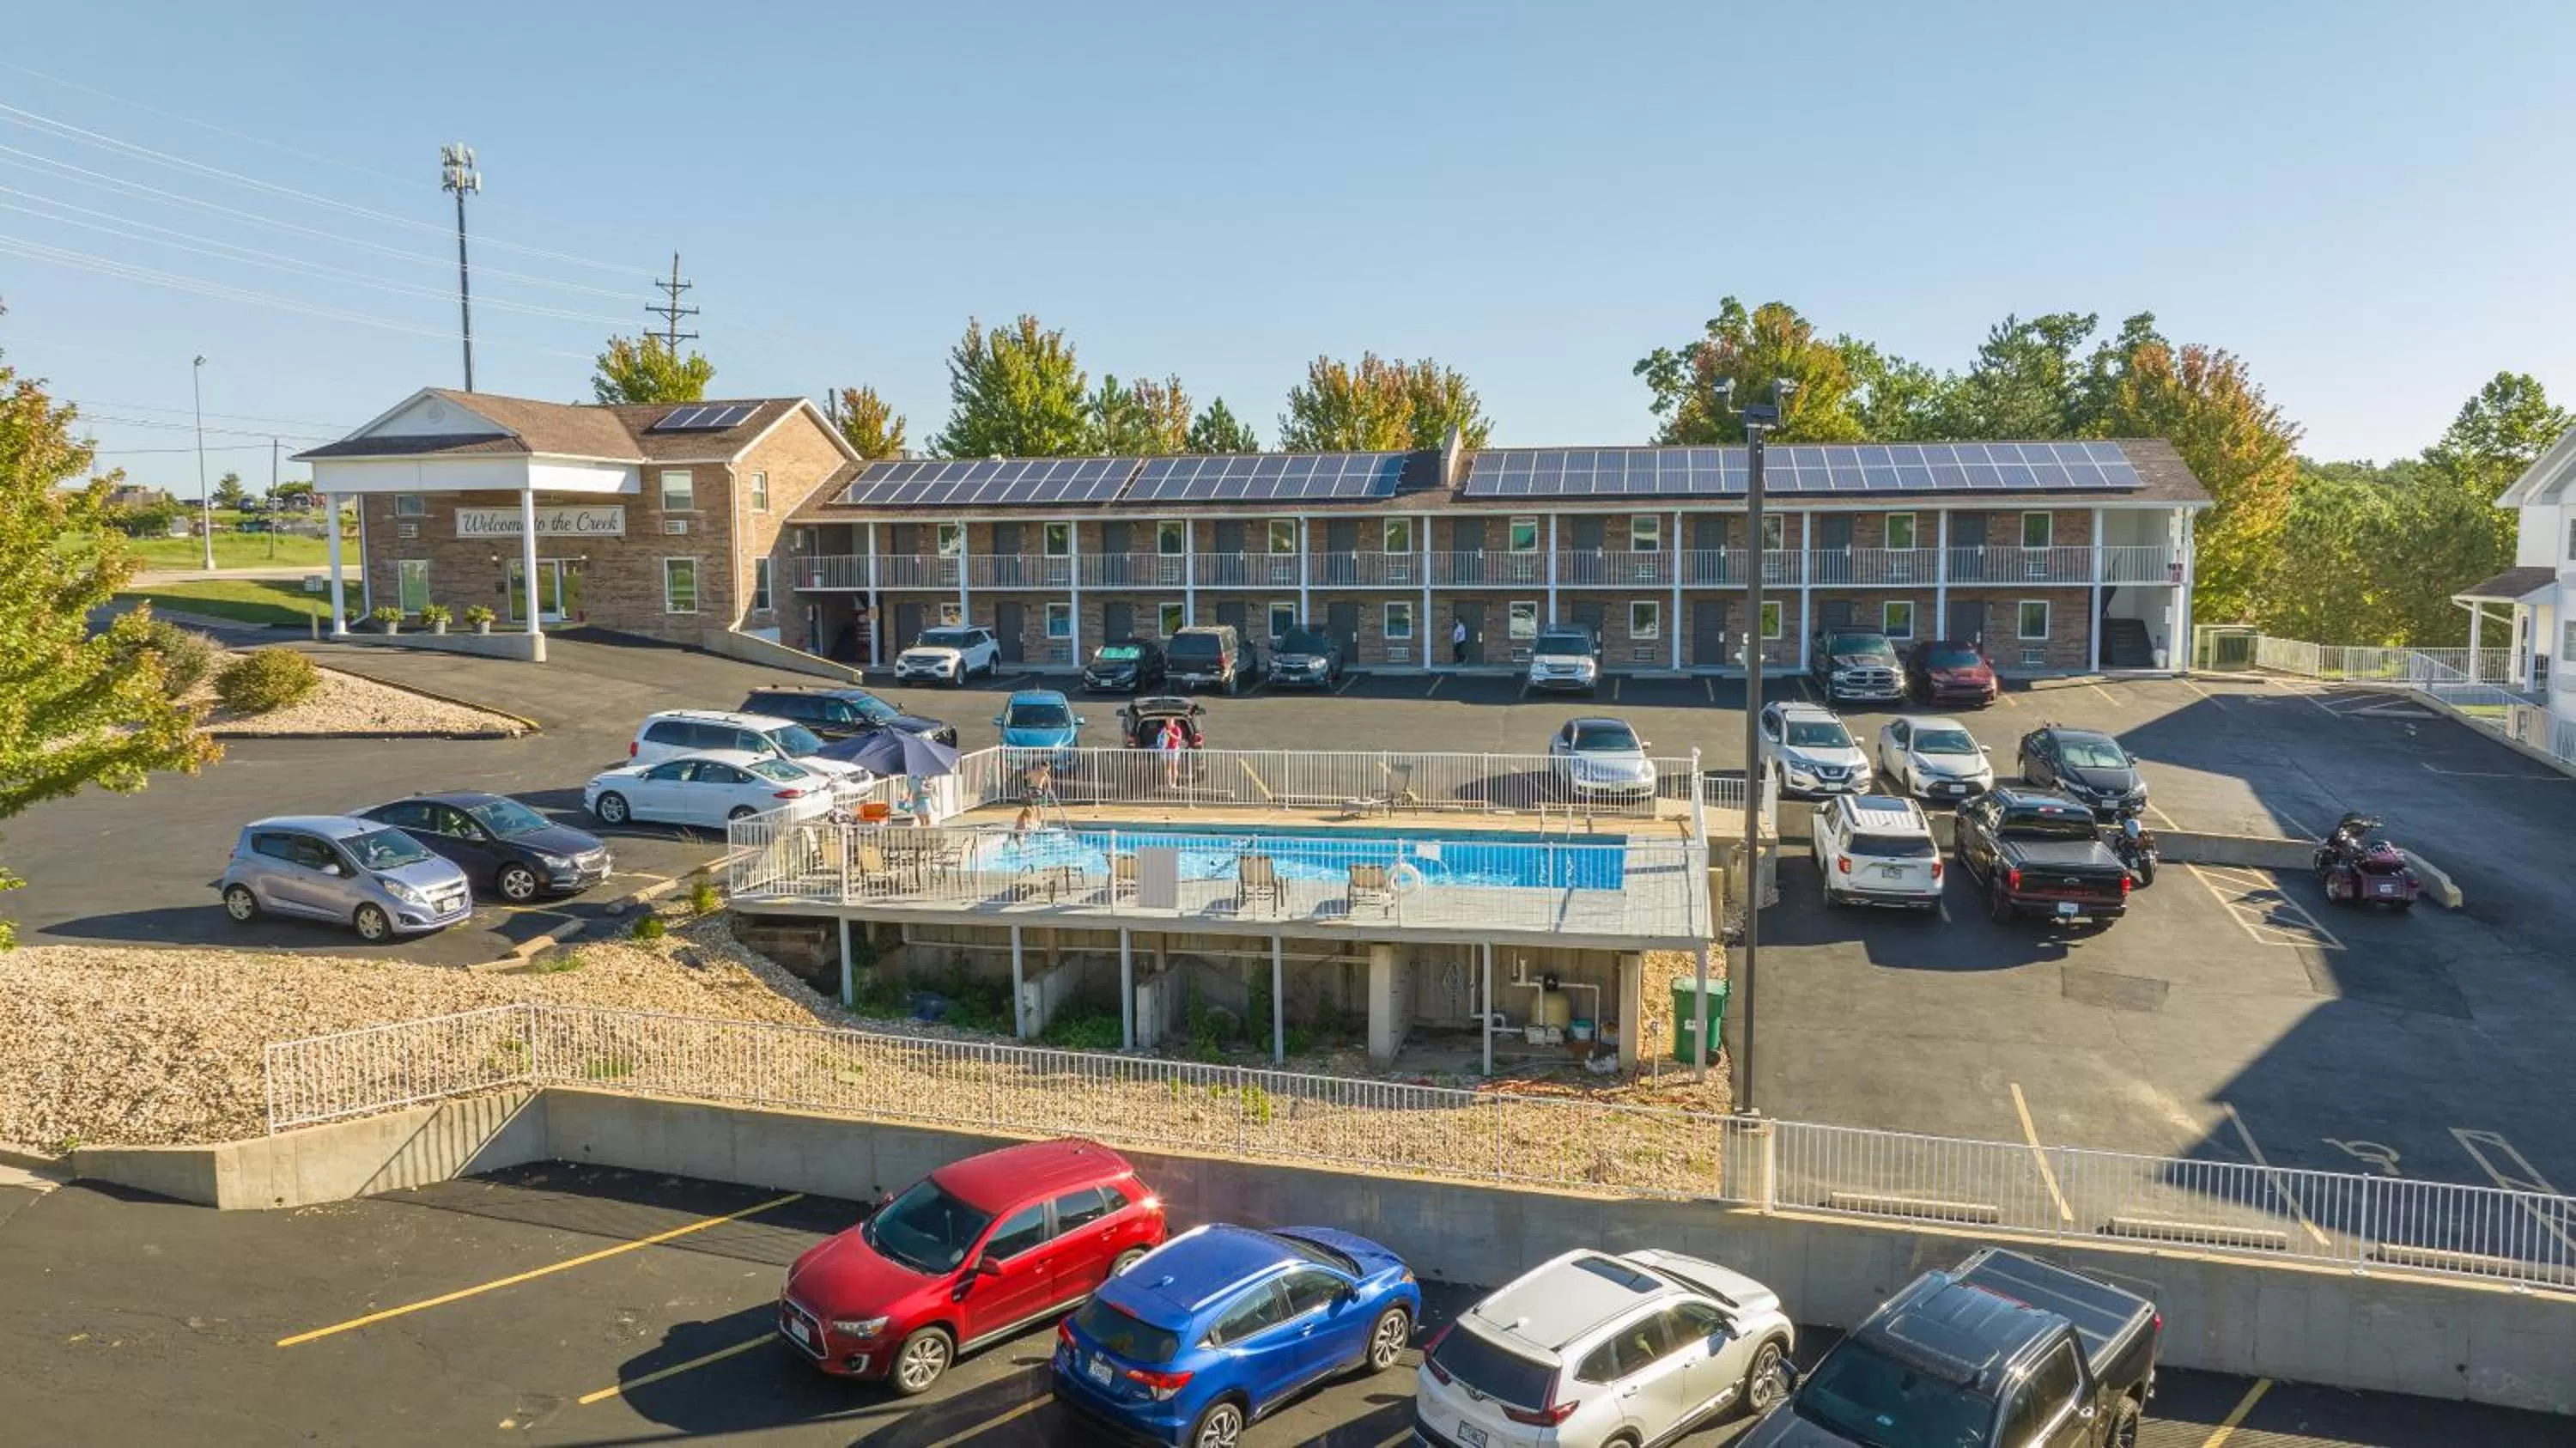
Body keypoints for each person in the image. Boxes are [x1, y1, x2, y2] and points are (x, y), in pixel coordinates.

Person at [1159, 715, 1186, 788]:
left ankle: (1174, 783)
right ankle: (1169, 783)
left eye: (1170, 721)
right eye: (1167, 721)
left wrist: (1171, 734)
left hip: (1174, 750)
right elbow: (1160, 738)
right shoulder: (1164, 729)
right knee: (1168, 768)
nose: (1168, 723)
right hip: (1166, 750)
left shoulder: (1177, 729)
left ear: (1173, 721)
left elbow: (1179, 739)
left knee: (1174, 767)